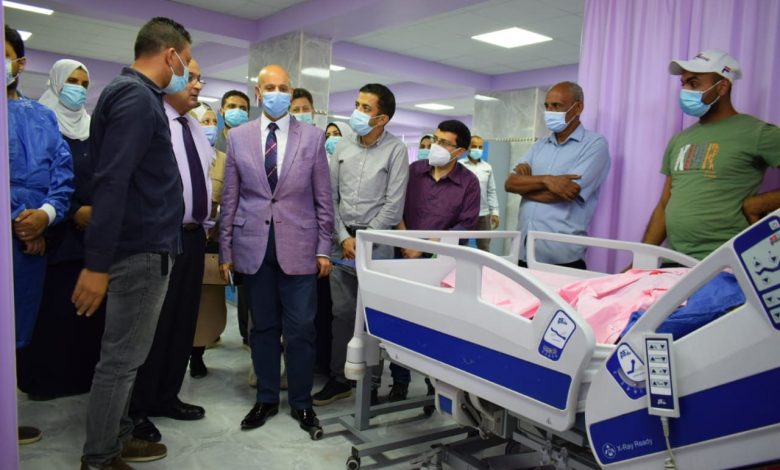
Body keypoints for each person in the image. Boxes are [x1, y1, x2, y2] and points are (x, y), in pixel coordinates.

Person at [72, 17, 190, 468]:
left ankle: (117, 436)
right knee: (121, 361)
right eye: (186, 61)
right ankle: (100, 457)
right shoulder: (137, 99)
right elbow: (112, 181)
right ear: (170, 55)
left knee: (126, 359)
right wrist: (97, 264)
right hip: (139, 249)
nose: (186, 72)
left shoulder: (133, 94)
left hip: (145, 244)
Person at [219, 64, 333, 435]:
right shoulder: (239, 137)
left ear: (291, 91)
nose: (277, 93)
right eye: (270, 87)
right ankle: (266, 398)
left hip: (300, 246)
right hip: (253, 246)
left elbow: (323, 198)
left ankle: (302, 403)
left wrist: (324, 248)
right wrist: (225, 251)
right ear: (258, 93)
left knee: (301, 329)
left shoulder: (312, 137)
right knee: (263, 328)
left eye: (283, 87)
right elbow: (231, 196)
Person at [129, 58, 212, 444]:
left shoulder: (193, 126)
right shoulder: (153, 119)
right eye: (190, 77)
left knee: (182, 322)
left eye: (200, 79)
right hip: (160, 236)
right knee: (154, 325)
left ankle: (166, 396)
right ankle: (137, 408)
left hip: (193, 237)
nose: (198, 85)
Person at [312, 83, 409, 406]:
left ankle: (370, 382)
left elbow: (393, 205)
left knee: (373, 317)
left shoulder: (396, 150)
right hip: (342, 244)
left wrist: (364, 239)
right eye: (357, 104)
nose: (357, 112)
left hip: (376, 246)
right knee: (341, 314)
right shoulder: (342, 146)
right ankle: (340, 378)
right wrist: (343, 237)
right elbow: (329, 197)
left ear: (382, 119)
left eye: (365, 108)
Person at [17, 58, 104, 401]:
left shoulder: (92, 128)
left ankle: (81, 378)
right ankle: (44, 381)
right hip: (53, 235)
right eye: (71, 81)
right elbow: (38, 179)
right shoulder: (39, 122)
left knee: (84, 314)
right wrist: (72, 210)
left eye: (84, 83)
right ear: (55, 82)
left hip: (89, 240)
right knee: (52, 312)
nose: (78, 89)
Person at [642, 50, 780, 260]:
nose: (686, 90)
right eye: (684, 83)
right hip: (675, 262)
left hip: (723, 263)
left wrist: (761, 203)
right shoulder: (679, 140)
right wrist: (641, 260)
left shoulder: (756, 133)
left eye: (694, 83)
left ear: (722, 87)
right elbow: (664, 204)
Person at [6, 25, 75, 445]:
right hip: (19, 236)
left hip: (28, 248)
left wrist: (44, 217)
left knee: (15, 335)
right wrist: (18, 222)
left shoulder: (41, 117)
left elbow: (62, 177)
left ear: (20, 63)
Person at [391, 120, 480, 401]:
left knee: (433, 325)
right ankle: (399, 381)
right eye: (434, 138)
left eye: (443, 142)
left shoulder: (469, 183)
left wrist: (425, 247)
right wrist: (407, 241)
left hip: (441, 265)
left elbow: (466, 226)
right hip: (402, 257)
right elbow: (396, 206)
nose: (435, 146)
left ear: (459, 151)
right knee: (399, 320)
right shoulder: (414, 171)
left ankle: (434, 383)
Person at [505, 81, 610, 269]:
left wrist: (526, 188)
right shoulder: (539, 146)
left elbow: (566, 193)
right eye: (547, 106)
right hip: (522, 252)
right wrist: (548, 180)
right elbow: (510, 183)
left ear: (578, 108)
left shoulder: (594, 144)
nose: (550, 111)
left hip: (562, 258)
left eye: (556, 106)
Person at [188, 102, 227, 379]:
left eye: (214, 122)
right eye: (205, 121)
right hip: (185, 235)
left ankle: (198, 353)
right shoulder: (183, 153)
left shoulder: (223, 159)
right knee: (184, 301)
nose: (211, 127)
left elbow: (230, 196)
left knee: (206, 304)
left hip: (211, 240)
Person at [215, 89, 253, 348]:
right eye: (231, 106)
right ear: (222, 110)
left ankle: (247, 335)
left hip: (245, 224)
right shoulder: (213, 143)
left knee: (246, 285)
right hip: (213, 224)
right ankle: (206, 335)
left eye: (242, 108)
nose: (237, 111)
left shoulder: (252, 144)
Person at [461, 134, 500, 251]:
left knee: (484, 247)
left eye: (480, 147)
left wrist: (495, 212)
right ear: (468, 147)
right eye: (474, 146)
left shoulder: (487, 167)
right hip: (464, 214)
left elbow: (491, 191)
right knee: (461, 245)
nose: (477, 149)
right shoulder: (459, 165)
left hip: (483, 214)